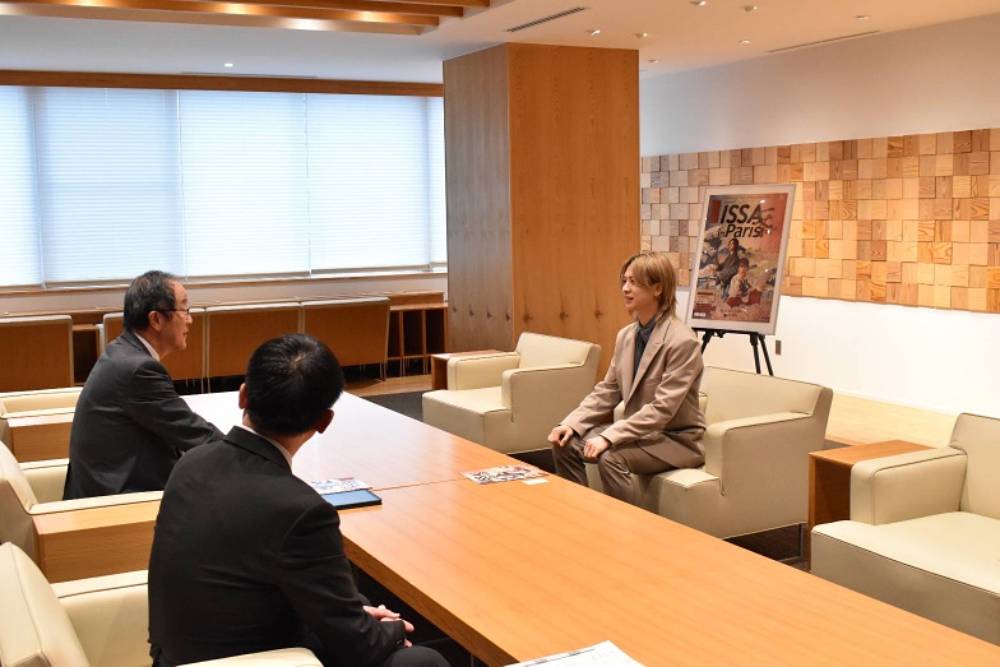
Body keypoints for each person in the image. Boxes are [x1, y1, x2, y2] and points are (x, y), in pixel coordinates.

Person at [148, 334, 446, 667]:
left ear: (243, 395)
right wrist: (393, 629)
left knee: (359, 605)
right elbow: (360, 647)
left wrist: (357, 615)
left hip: (177, 656)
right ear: (324, 422)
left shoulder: (191, 463)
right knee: (423, 661)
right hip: (254, 658)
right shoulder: (300, 510)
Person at [547, 252, 706, 503]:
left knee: (611, 457)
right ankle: (578, 512)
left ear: (657, 289)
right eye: (624, 281)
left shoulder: (683, 341)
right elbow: (608, 391)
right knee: (564, 443)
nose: (625, 289)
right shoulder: (626, 336)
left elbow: (662, 409)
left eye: (633, 282)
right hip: (639, 433)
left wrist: (608, 436)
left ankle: (625, 526)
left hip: (675, 440)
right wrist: (572, 423)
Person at [63, 270, 222, 499]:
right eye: (184, 310)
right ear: (156, 319)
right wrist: (251, 452)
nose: (190, 319)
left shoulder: (122, 351)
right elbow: (194, 432)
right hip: (116, 501)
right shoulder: (138, 370)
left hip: (107, 482)